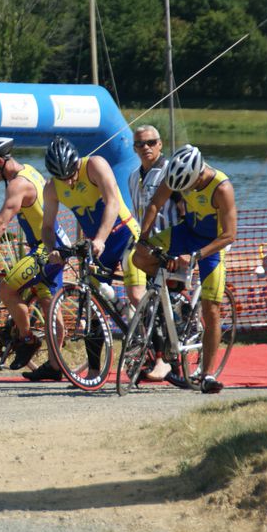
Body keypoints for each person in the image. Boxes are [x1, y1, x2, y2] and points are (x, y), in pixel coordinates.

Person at [32, 136, 145, 380]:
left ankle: (158, 351)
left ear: (76, 163)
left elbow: (113, 202)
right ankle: (95, 371)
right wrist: (53, 249)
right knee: (93, 307)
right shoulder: (52, 188)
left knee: (136, 294)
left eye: (71, 174)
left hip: (124, 235)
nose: (69, 181)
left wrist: (101, 239)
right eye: (62, 177)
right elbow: (47, 228)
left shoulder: (94, 165)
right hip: (96, 245)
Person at [133, 143, 237, 394]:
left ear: (199, 173)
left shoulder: (222, 188)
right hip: (187, 232)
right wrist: (144, 237)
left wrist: (193, 257)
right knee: (139, 257)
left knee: (211, 310)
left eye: (188, 186)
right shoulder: (176, 174)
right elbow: (155, 205)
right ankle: (176, 296)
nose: (185, 191)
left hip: (212, 245)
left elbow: (229, 235)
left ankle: (208, 374)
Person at [0, 137, 70, 378]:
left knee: (5, 290)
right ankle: (55, 367)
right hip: (56, 243)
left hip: (47, 247)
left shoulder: (17, 185)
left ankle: (27, 339)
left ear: (1, 161)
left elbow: (1, 224)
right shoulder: (30, 171)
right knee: (48, 305)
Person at [127, 125, 184, 380]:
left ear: (160, 144)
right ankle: (161, 360)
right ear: (134, 148)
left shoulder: (172, 171)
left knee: (168, 304)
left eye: (151, 142)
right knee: (152, 305)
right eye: (140, 144)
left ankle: (171, 362)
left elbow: (184, 211)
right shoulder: (132, 177)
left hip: (172, 248)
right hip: (149, 251)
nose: (146, 147)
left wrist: (182, 249)